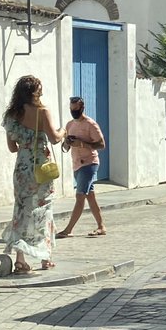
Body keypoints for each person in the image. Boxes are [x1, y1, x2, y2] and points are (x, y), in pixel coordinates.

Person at [2, 75, 65, 274]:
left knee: (21, 209)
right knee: (43, 209)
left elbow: (12, 147)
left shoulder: (11, 115)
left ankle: (20, 259)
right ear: (34, 92)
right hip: (40, 169)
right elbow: (55, 139)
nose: (42, 92)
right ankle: (45, 258)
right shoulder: (42, 112)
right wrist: (64, 130)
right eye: (40, 89)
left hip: (22, 168)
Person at [56, 96, 106, 238]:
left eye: (76, 109)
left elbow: (101, 144)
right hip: (77, 164)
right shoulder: (69, 124)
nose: (74, 112)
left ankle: (68, 229)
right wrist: (67, 142)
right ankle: (101, 226)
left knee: (80, 196)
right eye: (71, 110)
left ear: (82, 108)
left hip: (89, 164)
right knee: (90, 196)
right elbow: (65, 146)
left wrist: (83, 144)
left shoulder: (91, 124)